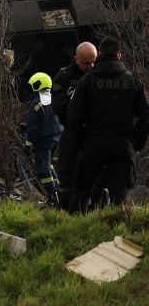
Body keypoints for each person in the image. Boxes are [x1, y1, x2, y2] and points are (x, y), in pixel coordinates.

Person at [66, 38, 149, 212]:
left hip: (92, 147)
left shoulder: (87, 81)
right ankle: (117, 235)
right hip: (122, 149)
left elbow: (74, 119)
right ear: (119, 55)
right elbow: (145, 116)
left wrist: (81, 143)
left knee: (81, 195)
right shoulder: (132, 80)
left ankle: (73, 233)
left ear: (100, 55)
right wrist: (135, 143)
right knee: (119, 200)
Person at [51, 41, 97, 205]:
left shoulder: (97, 76)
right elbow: (58, 106)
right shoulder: (63, 77)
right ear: (76, 59)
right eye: (86, 63)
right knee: (68, 178)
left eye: (93, 62)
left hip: (93, 135)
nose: (90, 66)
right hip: (72, 134)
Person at [24, 71, 62, 205]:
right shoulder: (54, 98)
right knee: (49, 164)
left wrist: (28, 145)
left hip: (44, 140)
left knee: (42, 167)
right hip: (57, 138)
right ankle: (58, 191)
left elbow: (32, 127)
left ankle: (52, 198)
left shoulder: (37, 102)